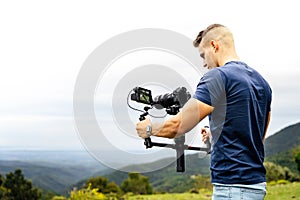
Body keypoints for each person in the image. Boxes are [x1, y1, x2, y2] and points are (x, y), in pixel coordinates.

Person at [136, 24, 272, 200]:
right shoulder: (262, 82)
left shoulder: (218, 77)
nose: (204, 63)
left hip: (232, 188)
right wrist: (216, 133)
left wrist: (148, 129)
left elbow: (177, 126)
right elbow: (256, 134)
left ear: (214, 46)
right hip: (256, 186)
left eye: (203, 55)